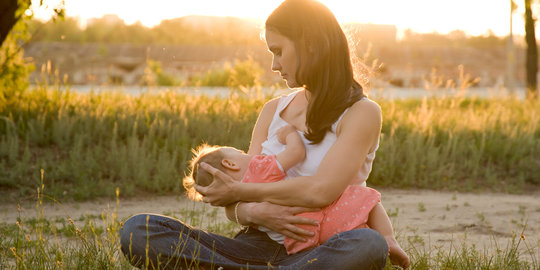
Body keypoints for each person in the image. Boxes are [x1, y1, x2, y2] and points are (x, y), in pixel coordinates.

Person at [120, 0, 409, 269]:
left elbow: (321, 191)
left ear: (309, 44)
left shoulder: (362, 112)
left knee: (368, 245)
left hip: (318, 248)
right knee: (139, 230)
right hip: (253, 246)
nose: (274, 64)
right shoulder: (273, 110)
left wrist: (240, 194)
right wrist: (253, 213)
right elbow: (236, 205)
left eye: (279, 51)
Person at [184, 125, 383, 255]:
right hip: (315, 225)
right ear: (230, 164)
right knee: (364, 214)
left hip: (296, 245)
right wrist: (290, 135)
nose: (247, 154)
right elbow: (296, 152)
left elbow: (233, 207)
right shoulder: (258, 167)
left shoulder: (236, 193)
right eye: (241, 153)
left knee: (367, 243)